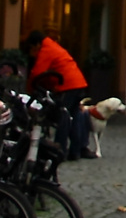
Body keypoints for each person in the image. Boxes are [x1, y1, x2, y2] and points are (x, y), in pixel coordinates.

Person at [24, 30, 89, 159]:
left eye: (32, 47)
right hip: (78, 82)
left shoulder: (46, 49)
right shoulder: (53, 46)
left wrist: (30, 89)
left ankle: (59, 149)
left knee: (63, 117)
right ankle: (76, 151)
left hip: (67, 85)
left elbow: (37, 72)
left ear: (37, 44)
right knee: (75, 117)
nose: (33, 51)